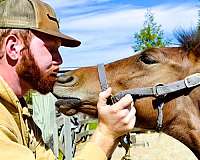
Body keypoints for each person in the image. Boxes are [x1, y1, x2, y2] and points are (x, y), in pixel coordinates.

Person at [0, 0, 136, 159]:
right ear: (13, 48)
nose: (60, 60)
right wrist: (106, 133)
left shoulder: (17, 111)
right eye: (51, 49)